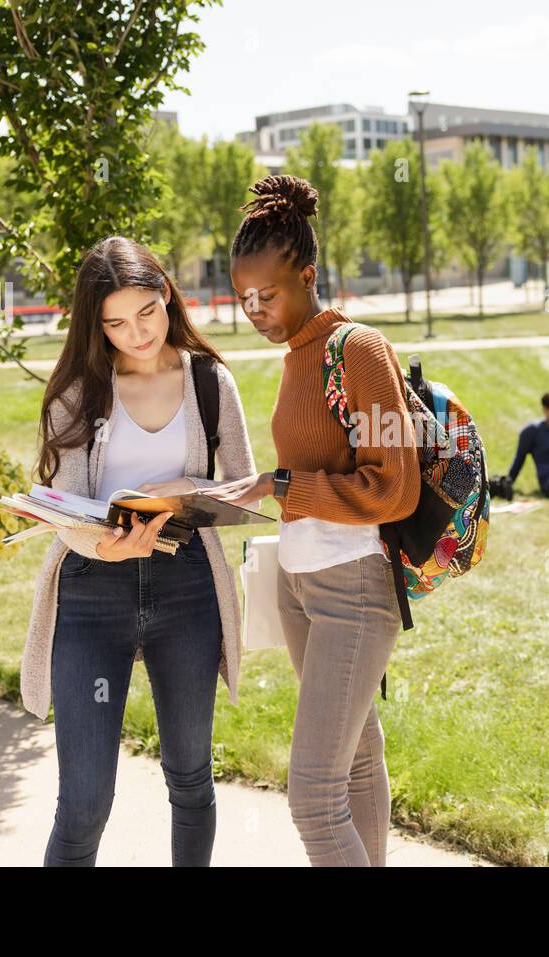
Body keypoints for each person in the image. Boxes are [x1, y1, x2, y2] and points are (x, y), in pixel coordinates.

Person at [200, 174, 420, 867]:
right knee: (355, 757)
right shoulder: (299, 355)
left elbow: (395, 486)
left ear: (309, 274)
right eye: (244, 299)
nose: (256, 310)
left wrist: (283, 485)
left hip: (353, 588)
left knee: (311, 797)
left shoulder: (358, 350)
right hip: (303, 586)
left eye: (269, 294)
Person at [22, 236, 257, 866]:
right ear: (96, 326)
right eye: (117, 323)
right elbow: (65, 507)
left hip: (187, 591)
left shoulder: (209, 381)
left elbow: (247, 488)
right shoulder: (78, 389)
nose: (137, 333)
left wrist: (190, 487)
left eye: (147, 313)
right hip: (91, 595)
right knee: (83, 804)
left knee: (190, 778)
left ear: (167, 296)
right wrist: (106, 546)